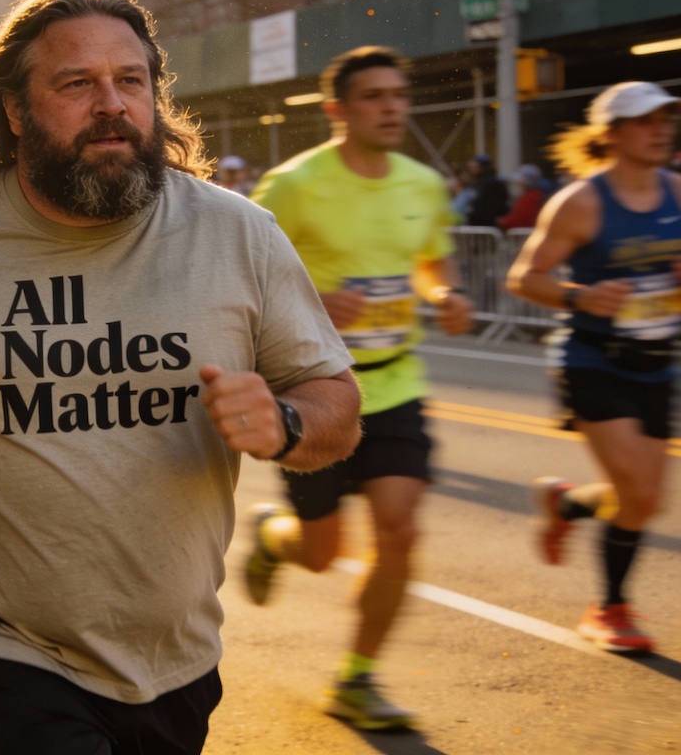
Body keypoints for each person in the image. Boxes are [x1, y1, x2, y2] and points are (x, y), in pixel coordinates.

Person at [0, 0, 361, 754]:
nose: (112, 104)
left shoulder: (237, 235)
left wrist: (287, 422)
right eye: (76, 84)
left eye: (131, 81)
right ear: (16, 110)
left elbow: (337, 404)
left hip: (175, 659)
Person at [246, 46, 474, 731]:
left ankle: (358, 678)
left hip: (396, 386)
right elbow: (245, 276)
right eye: (374, 96)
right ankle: (275, 538)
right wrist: (315, 302)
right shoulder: (291, 187)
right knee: (322, 555)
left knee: (400, 532)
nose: (391, 107)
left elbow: (433, 260)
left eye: (398, 95)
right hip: (313, 391)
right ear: (338, 111)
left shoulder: (420, 184)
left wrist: (449, 293)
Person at [506, 81, 681, 654]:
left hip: (657, 361)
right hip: (593, 360)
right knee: (636, 488)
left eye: (665, 118)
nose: (659, 128)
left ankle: (570, 502)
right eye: (644, 120)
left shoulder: (676, 191)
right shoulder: (582, 202)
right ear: (611, 134)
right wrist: (583, 296)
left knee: (646, 500)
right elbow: (524, 278)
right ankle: (609, 607)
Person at [463, 153, 510, 227]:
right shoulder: (486, 181)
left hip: (485, 223)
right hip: (487, 222)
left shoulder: (487, 183)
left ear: (482, 167)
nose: (471, 170)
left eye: (474, 167)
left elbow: (482, 206)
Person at [497, 164, 549, 231]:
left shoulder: (529, 198)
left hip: (525, 237)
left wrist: (500, 221)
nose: (517, 184)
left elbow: (517, 221)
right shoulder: (536, 195)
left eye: (519, 181)